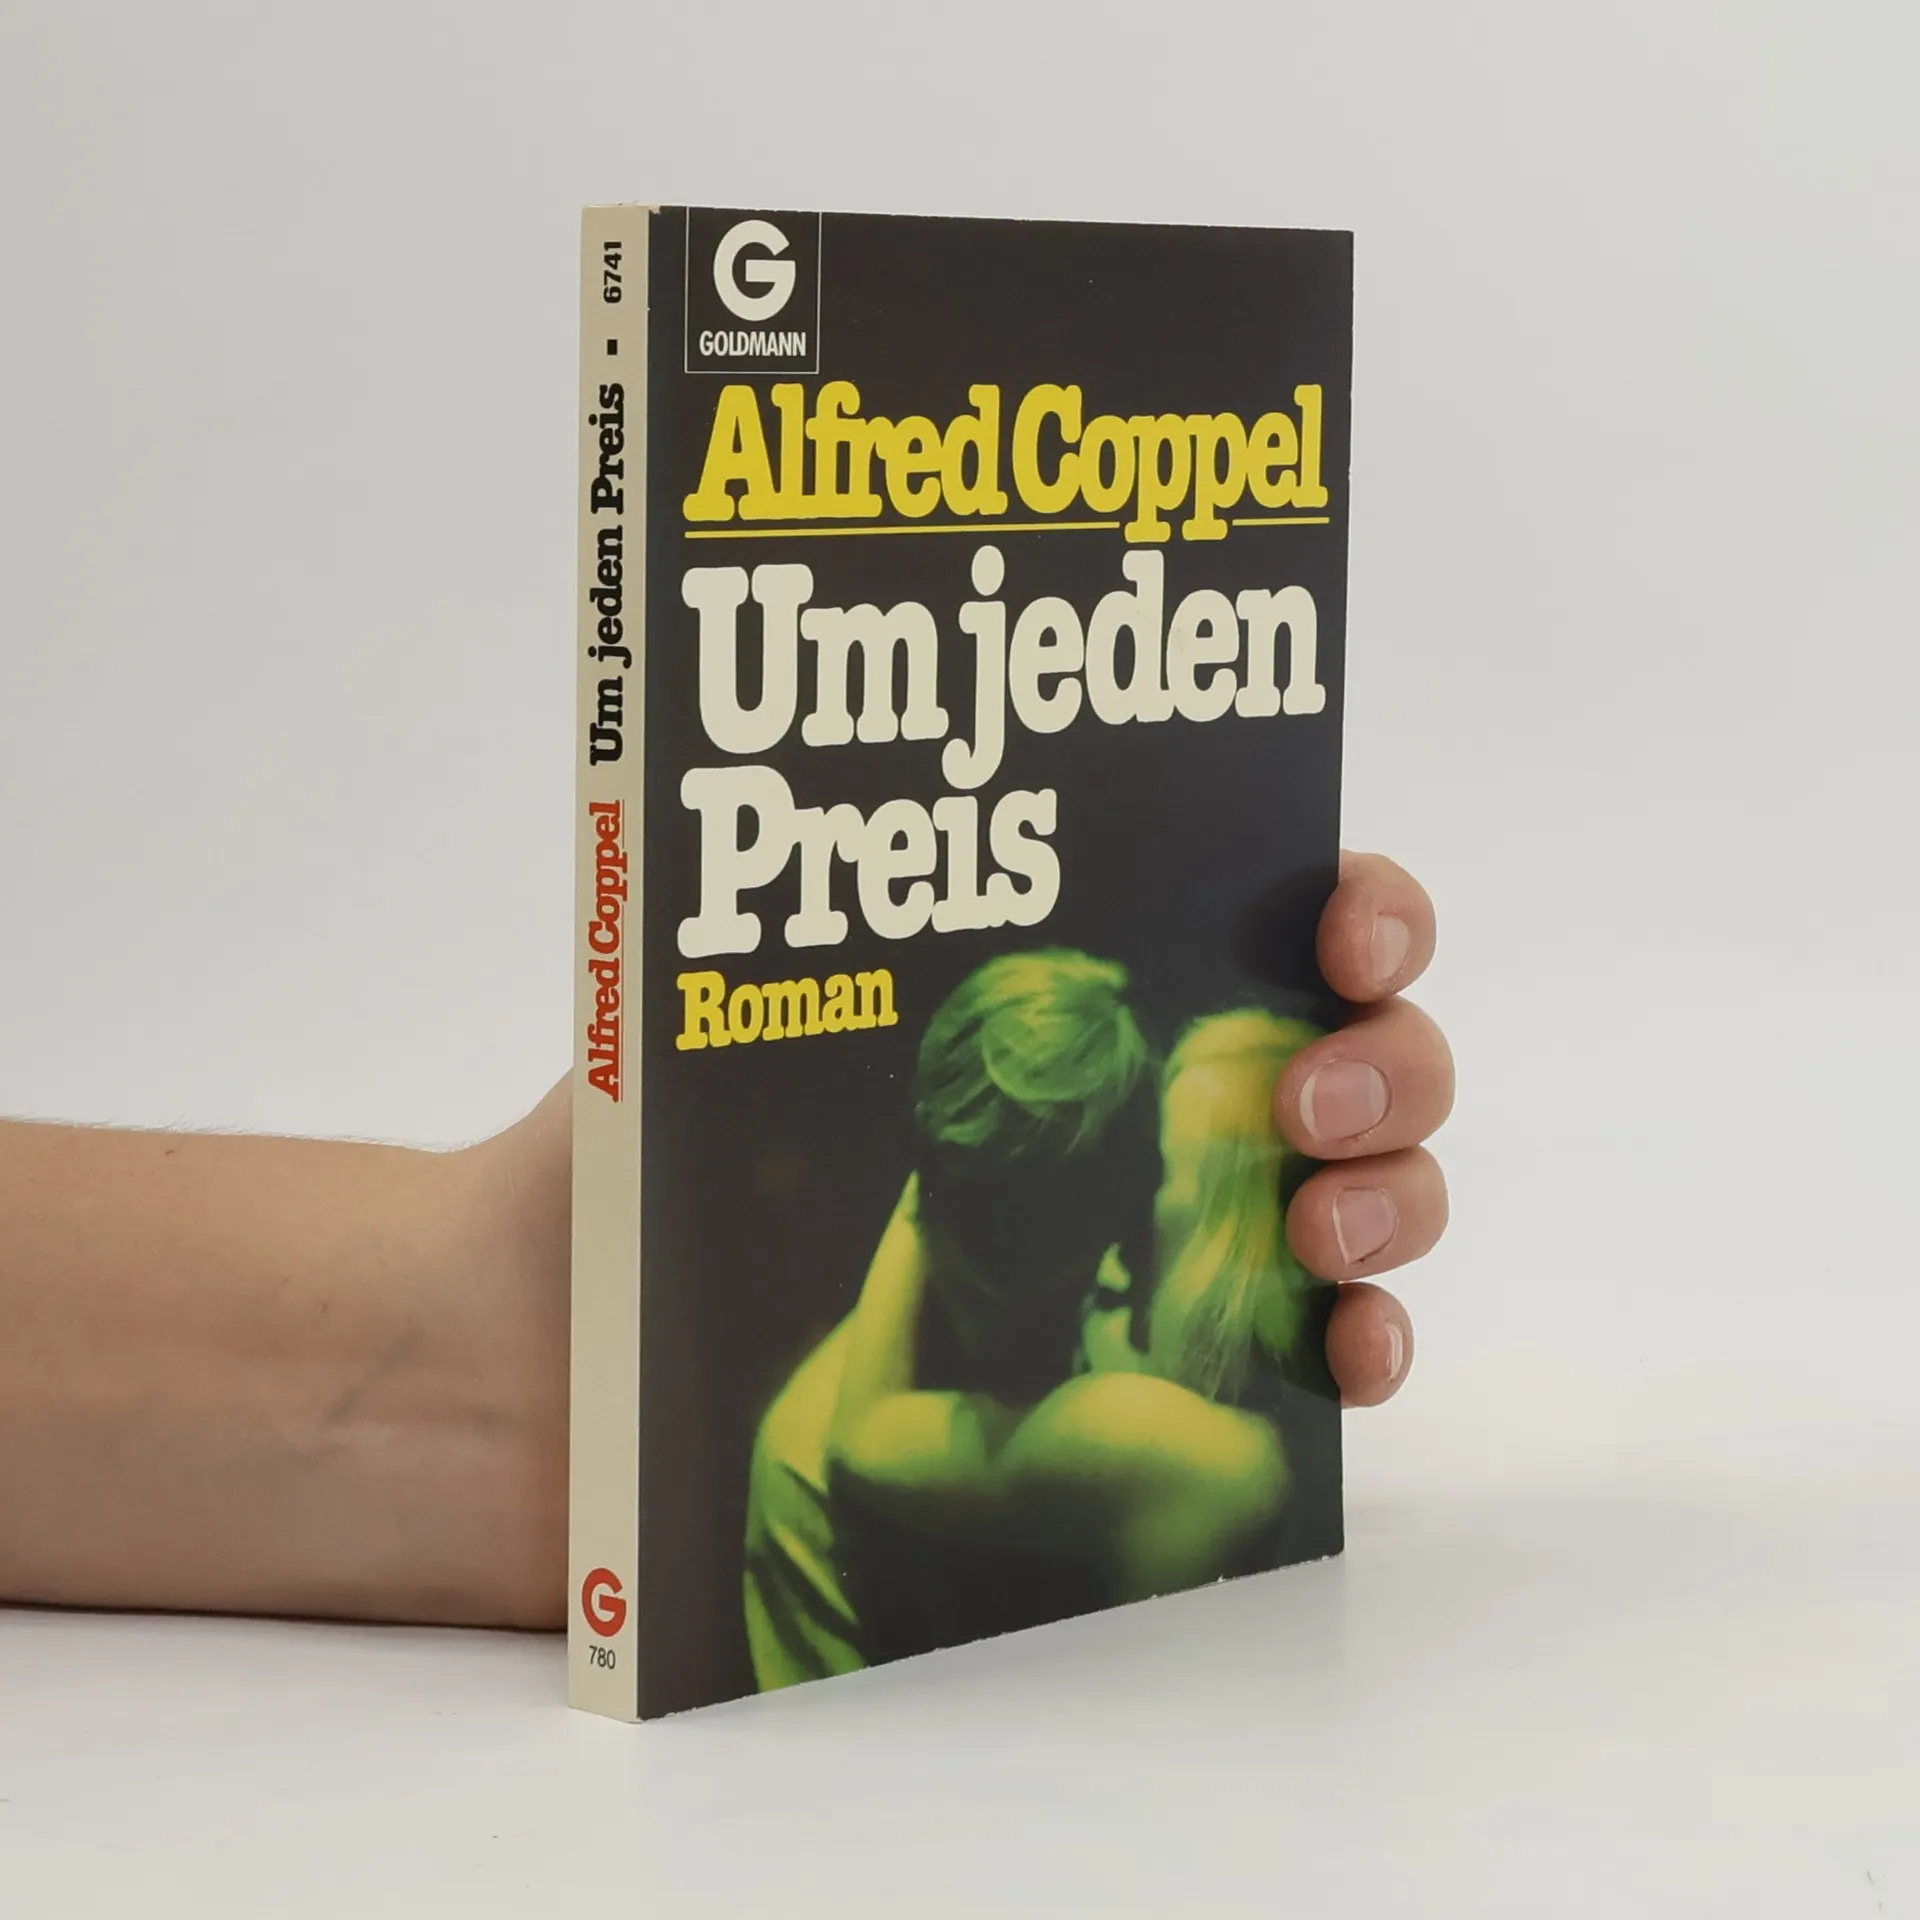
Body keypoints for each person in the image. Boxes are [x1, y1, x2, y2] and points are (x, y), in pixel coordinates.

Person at [0, 853, 1450, 1631]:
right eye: (1122, 1204)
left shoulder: (889, 1420)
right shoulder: (1172, 1444)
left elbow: (879, 1434)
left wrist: (941, 1180)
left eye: (1150, 1199)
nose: (1124, 1257)